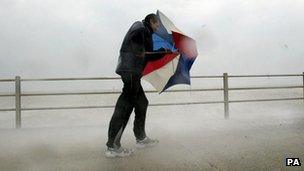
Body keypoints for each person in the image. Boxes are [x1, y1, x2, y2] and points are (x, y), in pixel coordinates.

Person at [105, 13, 173, 158]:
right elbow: (140, 53)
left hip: (133, 71)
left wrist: (164, 53)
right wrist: (162, 53)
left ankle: (141, 138)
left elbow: (144, 53)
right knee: (125, 107)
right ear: (151, 21)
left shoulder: (144, 30)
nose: (157, 28)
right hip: (130, 71)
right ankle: (113, 146)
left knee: (142, 102)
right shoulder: (140, 29)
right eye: (157, 25)